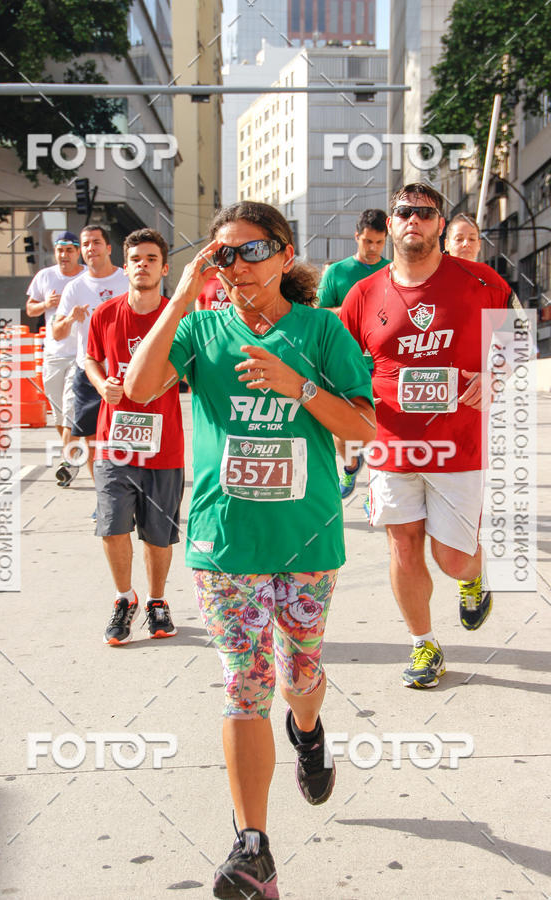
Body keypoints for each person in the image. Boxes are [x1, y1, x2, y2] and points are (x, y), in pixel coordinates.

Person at [124, 201, 375, 899]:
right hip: (223, 540)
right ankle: (253, 847)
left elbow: (365, 428)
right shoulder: (201, 328)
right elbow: (141, 390)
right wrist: (179, 297)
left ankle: (310, 728)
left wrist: (300, 388)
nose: (235, 267)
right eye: (221, 255)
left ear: (285, 255)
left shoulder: (321, 330)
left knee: (300, 674)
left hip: (306, 537)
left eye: (250, 252)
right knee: (244, 683)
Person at [340, 183, 512, 690]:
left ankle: (473, 576)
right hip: (393, 446)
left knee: (450, 557)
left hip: (459, 446)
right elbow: (342, 360)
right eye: (403, 212)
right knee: (403, 546)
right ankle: (424, 644)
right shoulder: (365, 294)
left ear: (440, 224)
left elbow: (513, 336)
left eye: (425, 212)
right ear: (389, 225)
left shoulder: (480, 281)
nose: (413, 220)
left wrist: (495, 372)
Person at [84, 228, 182, 644]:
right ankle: (124, 598)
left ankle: (157, 601)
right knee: (111, 526)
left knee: (158, 533)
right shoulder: (105, 314)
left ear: (163, 267)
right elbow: (90, 357)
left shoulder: (177, 316)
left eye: (152, 258)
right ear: (125, 266)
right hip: (114, 442)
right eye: (136, 258)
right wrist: (101, 381)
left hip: (164, 445)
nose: (143, 265)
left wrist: (165, 381)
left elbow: (190, 362)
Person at [318, 209, 390, 499]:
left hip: (382, 363)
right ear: (357, 237)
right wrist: (348, 312)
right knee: (341, 429)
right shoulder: (337, 273)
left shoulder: (393, 271)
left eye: (379, 243)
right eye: (368, 242)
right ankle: (350, 465)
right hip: (344, 362)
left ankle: (377, 495)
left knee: (382, 434)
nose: (373, 249)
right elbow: (317, 313)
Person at [53, 225, 129, 482]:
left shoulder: (126, 279)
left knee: (125, 434)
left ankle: (130, 490)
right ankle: (103, 495)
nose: (90, 248)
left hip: (125, 369)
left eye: (96, 242)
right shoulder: (74, 288)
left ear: (108, 248)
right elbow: (57, 333)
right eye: (86, 244)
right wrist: (71, 319)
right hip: (89, 370)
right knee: (92, 435)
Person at [25, 231, 85, 486]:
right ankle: (74, 450)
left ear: (77, 253)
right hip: (53, 353)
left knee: (71, 408)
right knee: (59, 414)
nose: (65, 255)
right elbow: (30, 309)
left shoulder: (86, 277)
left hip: (80, 353)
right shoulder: (46, 276)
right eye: (61, 250)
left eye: (70, 250)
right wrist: (45, 304)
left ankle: (68, 462)